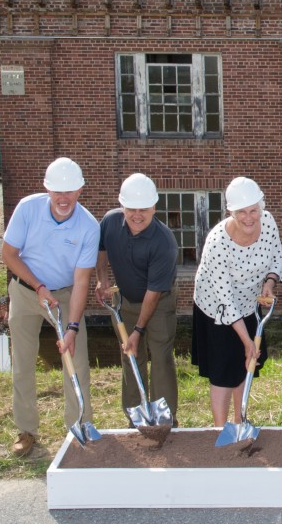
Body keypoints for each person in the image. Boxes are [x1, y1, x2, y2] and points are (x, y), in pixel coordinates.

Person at [1, 156, 100, 457]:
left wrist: (71, 327)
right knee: (23, 363)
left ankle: (79, 428)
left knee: (76, 362)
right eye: (57, 191)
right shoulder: (27, 209)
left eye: (70, 191)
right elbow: (9, 255)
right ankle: (26, 430)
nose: (63, 198)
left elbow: (82, 281)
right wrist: (38, 286)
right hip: (26, 292)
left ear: (80, 191)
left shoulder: (88, 226)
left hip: (66, 294)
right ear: (47, 189)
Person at [191, 177, 282, 428]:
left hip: (249, 302)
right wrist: (246, 341)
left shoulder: (268, 222)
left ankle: (239, 421)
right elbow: (226, 303)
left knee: (246, 366)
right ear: (230, 212)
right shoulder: (217, 243)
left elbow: (277, 256)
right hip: (215, 307)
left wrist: (269, 282)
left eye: (254, 210)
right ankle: (221, 429)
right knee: (223, 369)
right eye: (241, 212)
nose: (249, 217)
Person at [94, 173, 180, 426]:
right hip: (126, 299)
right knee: (131, 355)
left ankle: (165, 418)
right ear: (122, 206)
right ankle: (135, 416)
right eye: (131, 209)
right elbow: (101, 248)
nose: (137, 215)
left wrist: (138, 330)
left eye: (144, 209)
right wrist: (102, 278)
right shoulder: (110, 222)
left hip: (159, 302)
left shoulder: (164, 242)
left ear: (154, 207)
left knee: (161, 356)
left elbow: (153, 295)